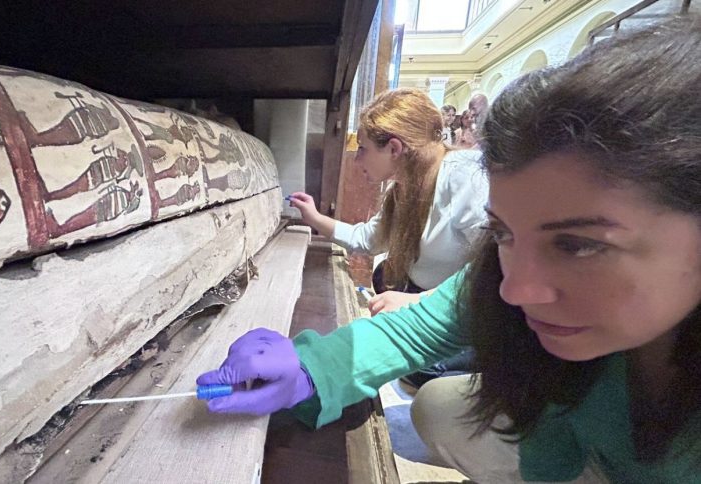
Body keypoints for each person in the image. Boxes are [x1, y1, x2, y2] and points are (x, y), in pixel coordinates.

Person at [198, 15, 701, 483]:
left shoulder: (459, 182)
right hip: (580, 444)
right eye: (503, 234)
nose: (516, 288)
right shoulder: (426, 213)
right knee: (438, 406)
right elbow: (418, 328)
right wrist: (310, 369)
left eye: (579, 245)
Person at [287, 88, 487, 316]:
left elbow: (491, 267)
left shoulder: (462, 174)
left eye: (363, 148)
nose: (357, 159)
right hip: (425, 303)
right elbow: (367, 239)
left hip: (457, 313)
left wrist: (418, 301)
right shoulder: (401, 188)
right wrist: (314, 217)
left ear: (394, 148)